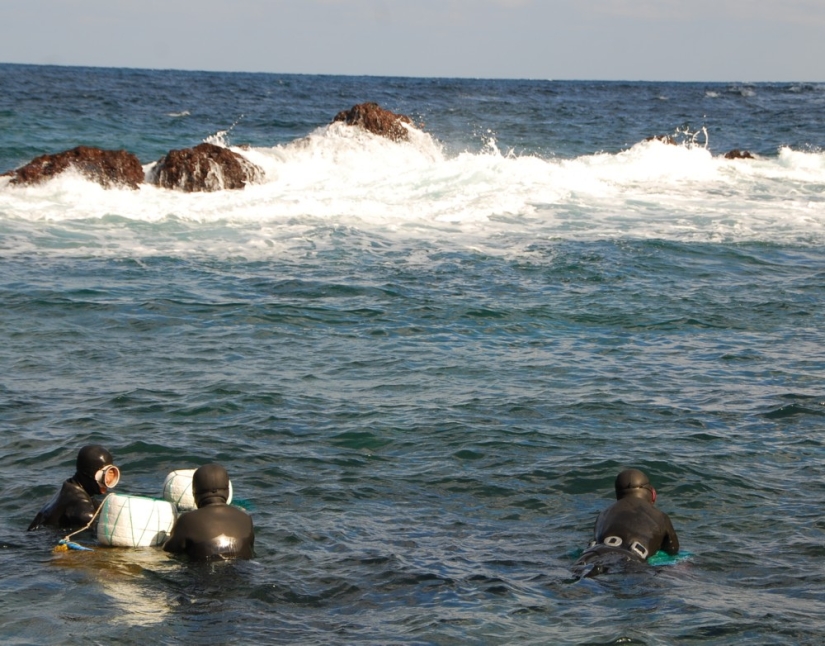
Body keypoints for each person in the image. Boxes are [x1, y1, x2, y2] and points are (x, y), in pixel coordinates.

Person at [574, 468, 679, 576]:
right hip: (628, 561)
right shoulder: (660, 516)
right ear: (653, 494)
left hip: (590, 555)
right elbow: (672, 552)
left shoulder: (603, 514)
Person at [163, 463, 254, 561]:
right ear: (227, 491)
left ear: (194, 493)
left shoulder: (187, 520)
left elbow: (169, 551)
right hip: (244, 573)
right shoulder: (246, 519)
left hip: (203, 574)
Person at [28, 444, 120, 531]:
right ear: (92, 474)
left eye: (112, 474)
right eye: (106, 476)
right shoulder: (84, 512)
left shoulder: (69, 488)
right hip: (40, 545)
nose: (108, 481)